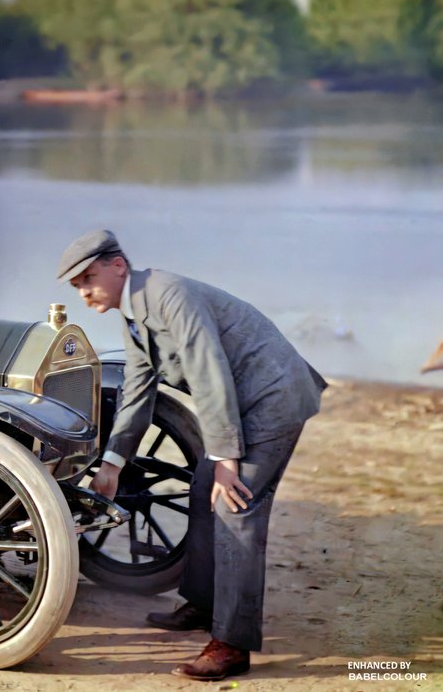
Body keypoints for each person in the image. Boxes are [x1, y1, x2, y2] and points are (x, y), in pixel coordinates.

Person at [58, 229, 326, 682]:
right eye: (76, 285)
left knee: (234, 505)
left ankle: (232, 644)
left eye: (88, 278)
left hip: (273, 396)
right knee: (203, 486)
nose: (84, 292)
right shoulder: (134, 317)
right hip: (243, 403)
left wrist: (225, 456)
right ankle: (203, 604)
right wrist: (112, 464)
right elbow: (138, 393)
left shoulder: (169, 295)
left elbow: (209, 369)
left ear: (118, 265)